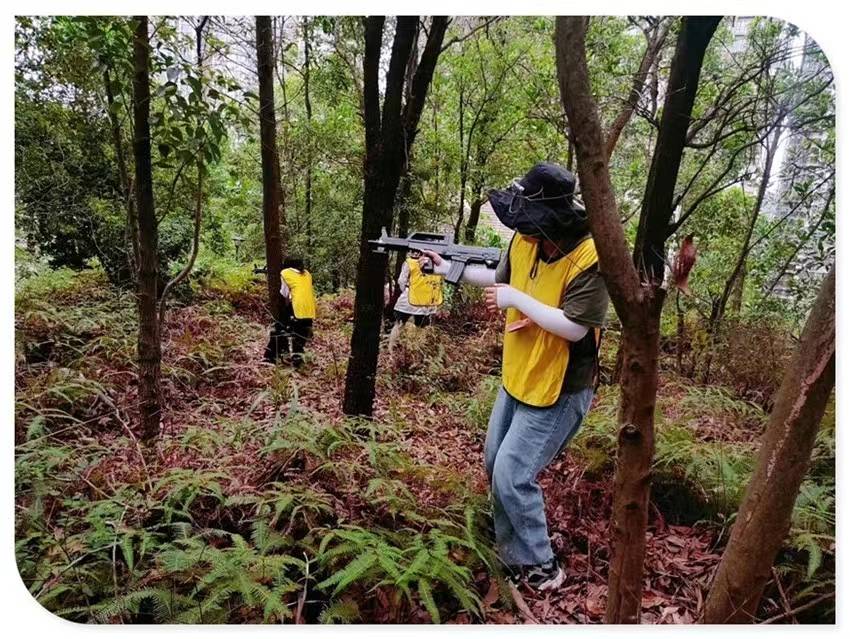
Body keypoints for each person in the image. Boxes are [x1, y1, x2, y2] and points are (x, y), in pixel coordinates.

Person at [422, 162, 609, 592]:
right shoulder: (524, 241)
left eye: (529, 219)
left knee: (512, 473)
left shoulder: (589, 255)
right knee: (494, 463)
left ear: (553, 219)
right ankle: (512, 552)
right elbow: (498, 279)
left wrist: (517, 300)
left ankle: (542, 565)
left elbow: (577, 326)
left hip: (561, 384)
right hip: (519, 373)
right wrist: (444, 269)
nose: (521, 227)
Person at [263, 257, 317, 367]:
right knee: (300, 334)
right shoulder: (307, 274)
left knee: (279, 329)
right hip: (309, 309)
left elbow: (284, 293)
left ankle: (270, 357)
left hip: (296, 307)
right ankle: (297, 360)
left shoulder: (285, 273)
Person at [388, 248, 444, 352]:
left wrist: (406, 290)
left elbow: (401, 281)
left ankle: (390, 351)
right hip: (427, 302)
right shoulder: (438, 263)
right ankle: (417, 352)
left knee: (399, 324)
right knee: (421, 328)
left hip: (409, 299)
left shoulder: (410, 262)